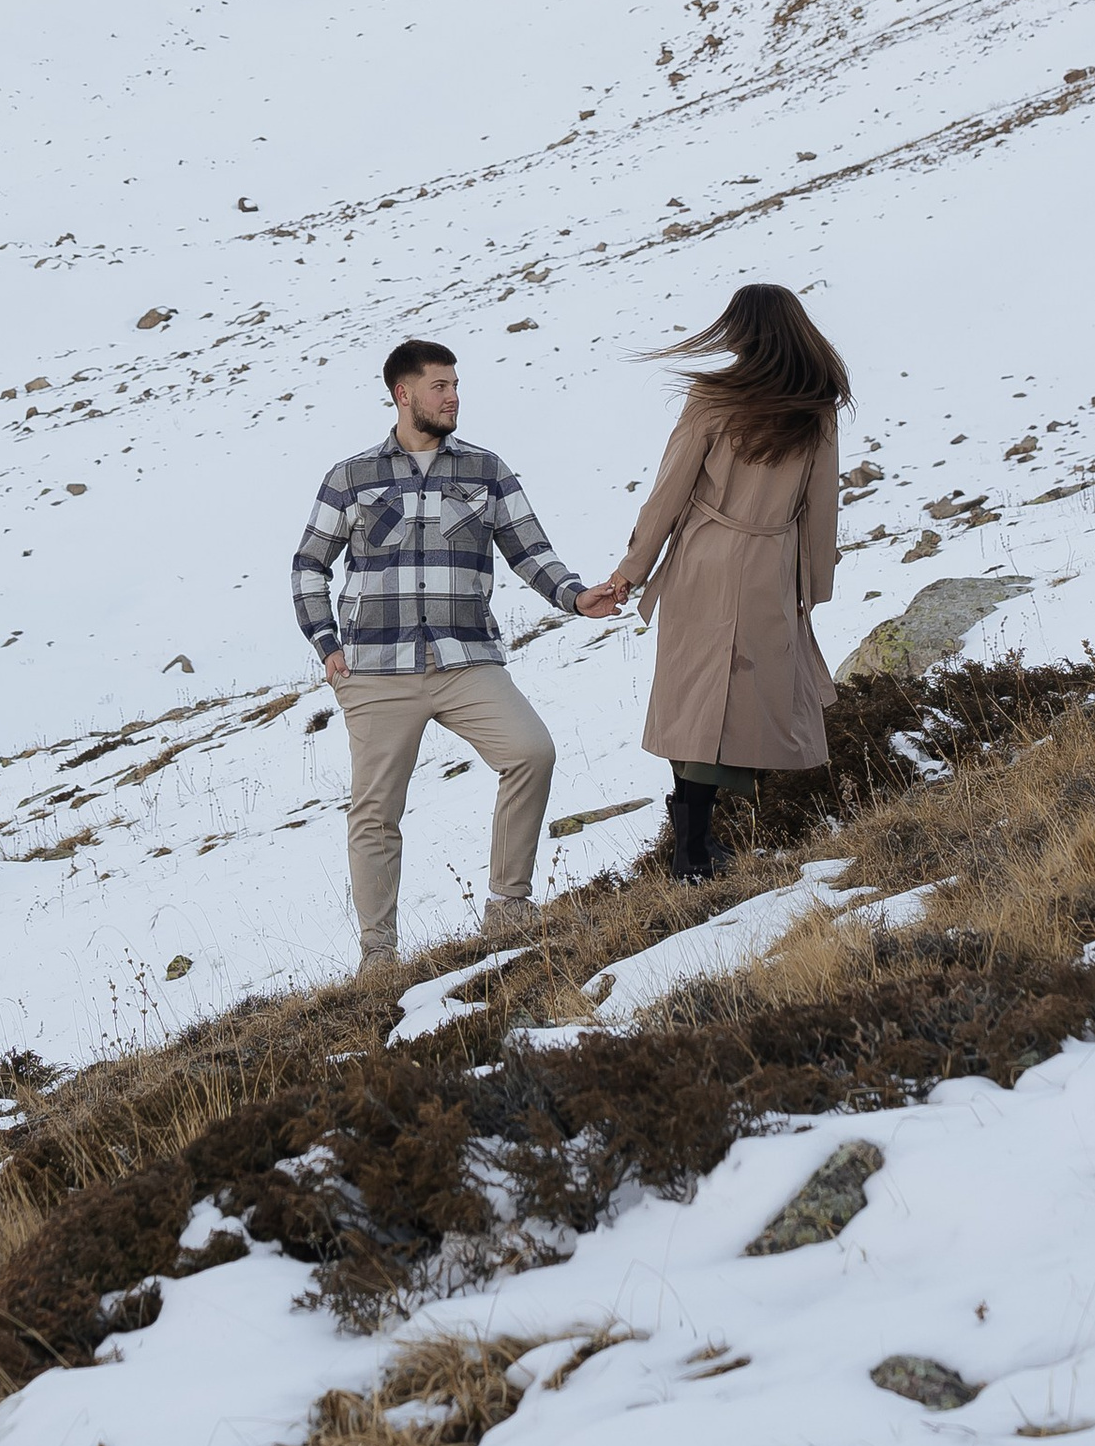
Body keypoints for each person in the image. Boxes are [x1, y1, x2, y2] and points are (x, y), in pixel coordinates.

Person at [293, 336, 617, 962]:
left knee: (531, 753)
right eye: (439, 386)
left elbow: (530, 551)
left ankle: (508, 908)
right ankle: (379, 955)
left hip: (467, 658)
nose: (453, 397)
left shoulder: (486, 471)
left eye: (456, 386)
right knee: (375, 813)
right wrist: (326, 642)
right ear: (403, 394)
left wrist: (576, 598)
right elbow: (309, 564)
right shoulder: (350, 477)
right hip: (376, 669)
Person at [603, 283, 850, 882]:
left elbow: (670, 489)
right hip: (770, 563)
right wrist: (813, 585)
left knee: (694, 698)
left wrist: (631, 571)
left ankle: (691, 846)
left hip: (703, 560)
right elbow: (822, 504)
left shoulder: (713, 397)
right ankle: (697, 843)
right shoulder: (815, 405)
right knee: (732, 701)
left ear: (740, 332)